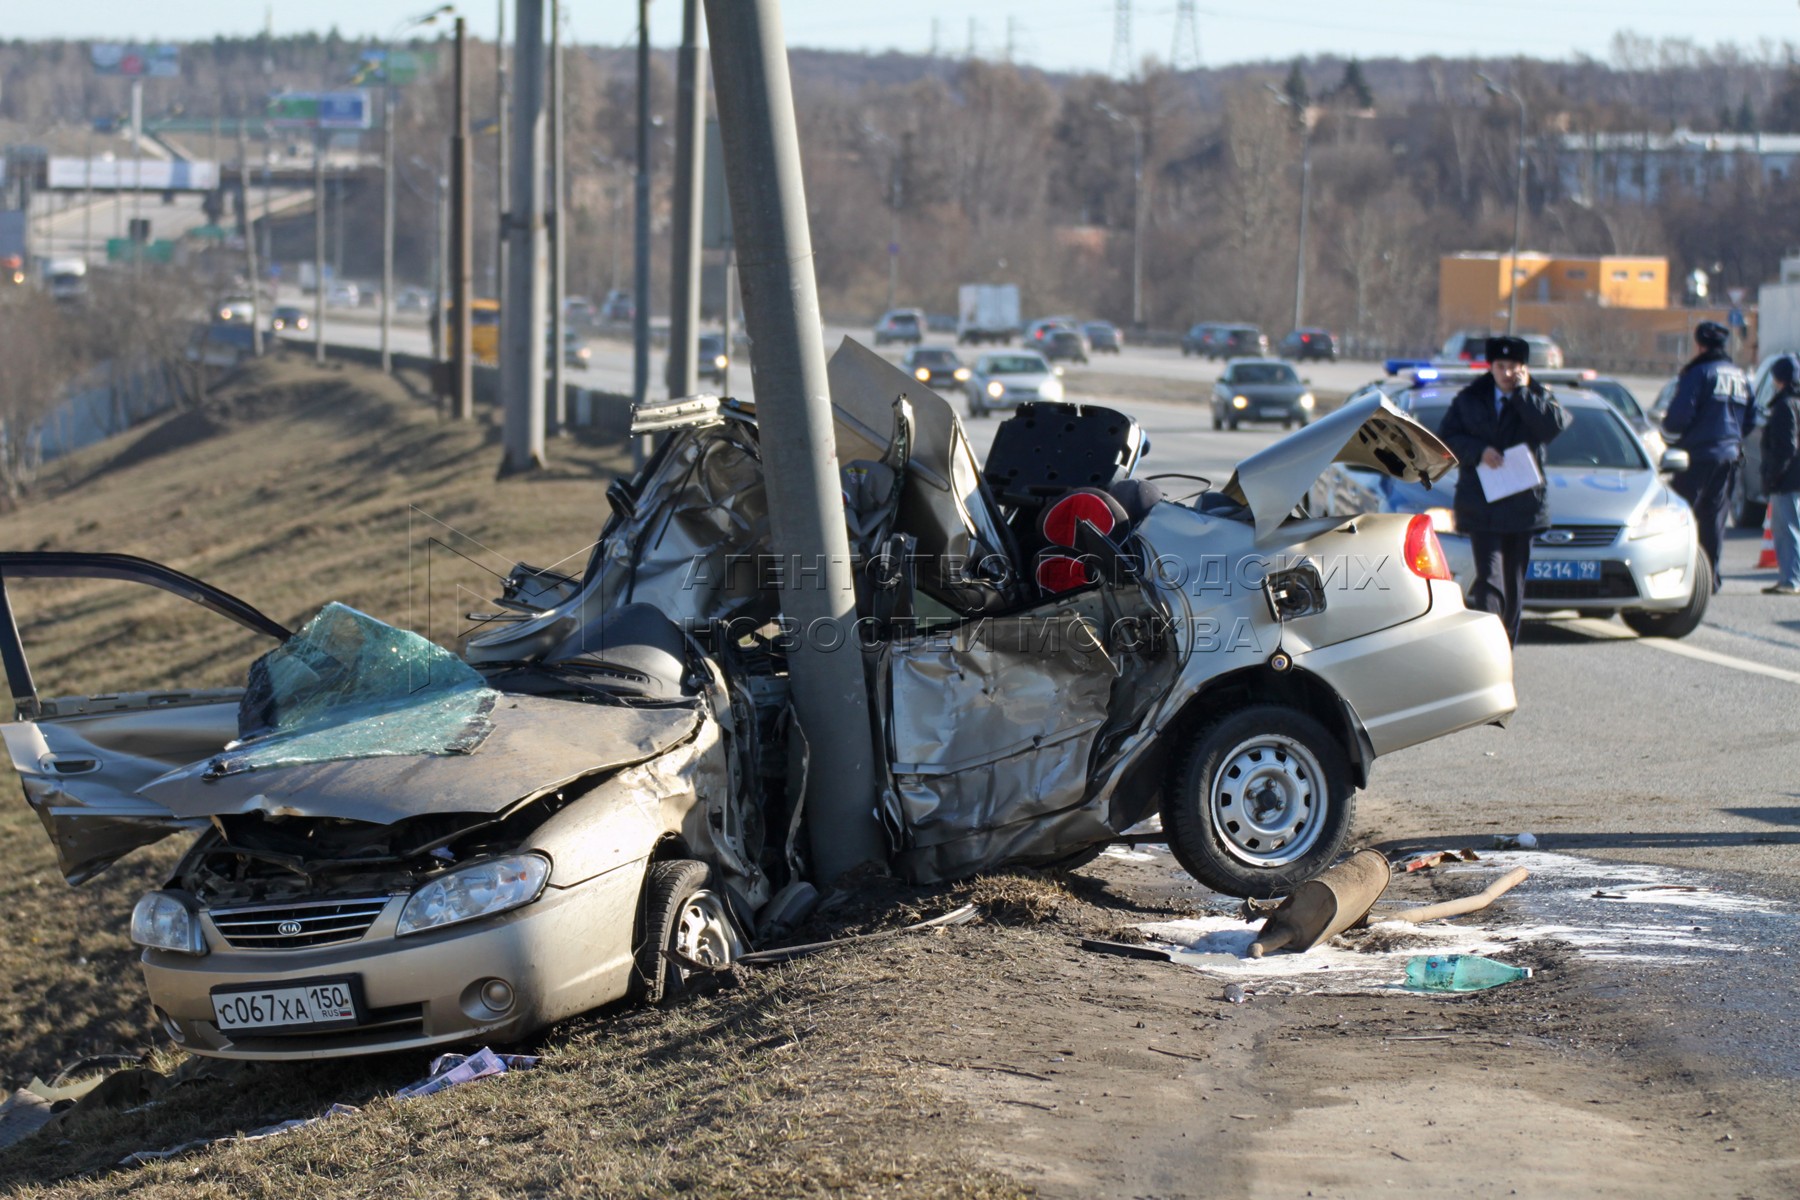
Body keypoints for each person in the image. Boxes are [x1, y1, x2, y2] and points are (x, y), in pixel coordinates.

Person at [1436, 335, 1570, 645]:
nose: (1507, 373)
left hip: (1524, 506)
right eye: (1500, 366)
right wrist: (1479, 450)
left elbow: (1552, 427)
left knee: (1514, 581)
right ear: (1491, 367)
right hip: (1482, 503)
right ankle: (1489, 642)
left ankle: (1507, 641)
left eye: (1514, 367)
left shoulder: (1537, 397)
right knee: (1489, 577)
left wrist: (1523, 394)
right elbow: (1446, 438)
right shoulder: (1471, 398)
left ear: (1524, 368)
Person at [1663, 320, 1755, 593]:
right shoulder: (1740, 376)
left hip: (1698, 455)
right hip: (1730, 456)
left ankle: (1678, 574)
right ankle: (1710, 577)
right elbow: (1751, 419)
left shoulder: (1699, 373)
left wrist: (1668, 436)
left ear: (1700, 345)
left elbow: (1678, 418)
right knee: (1715, 517)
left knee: (1681, 514)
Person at [1760, 353, 1800, 595]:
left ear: (1778, 378)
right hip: (1793, 477)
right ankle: (1789, 576)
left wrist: (1772, 476)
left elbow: (1785, 448)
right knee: (1789, 527)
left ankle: (1791, 579)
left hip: (1787, 479)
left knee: (1787, 529)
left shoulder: (1785, 405)